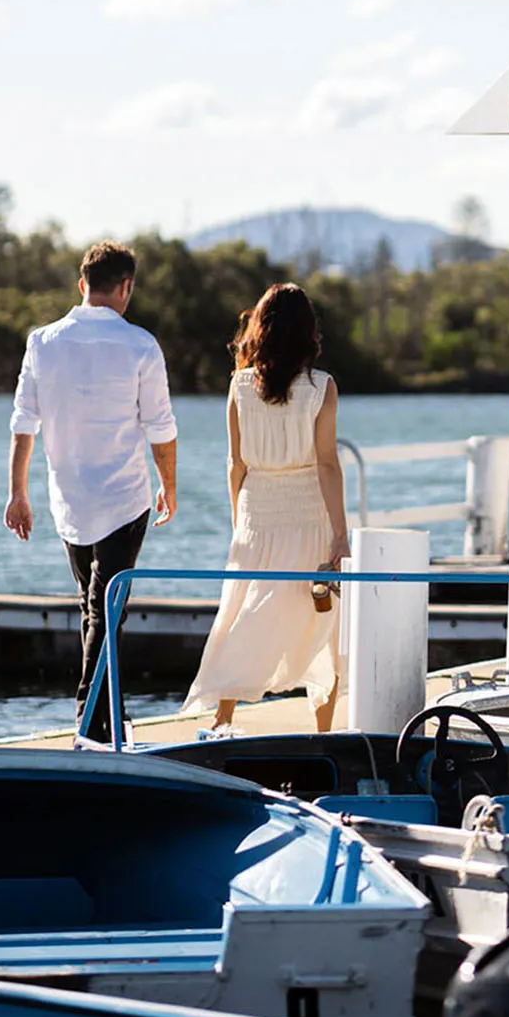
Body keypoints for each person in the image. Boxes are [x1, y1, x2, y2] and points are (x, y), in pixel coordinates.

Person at [5, 242, 178, 742]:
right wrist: (169, 484)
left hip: (69, 499)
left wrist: (18, 492)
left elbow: (23, 424)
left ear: (83, 285)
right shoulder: (141, 345)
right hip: (125, 499)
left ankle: (103, 719)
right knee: (105, 609)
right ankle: (91, 714)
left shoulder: (42, 342)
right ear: (125, 288)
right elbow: (160, 428)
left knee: (95, 606)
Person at [180, 284, 348, 732]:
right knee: (320, 623)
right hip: (307, 511)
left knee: (243, 614)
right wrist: (340, 532)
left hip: (256, 512)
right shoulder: (322, 387)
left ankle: (223, 719)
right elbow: (328, 464)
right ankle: (324, 732)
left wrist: (239, 519)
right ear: (307, 331)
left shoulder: (239, 386)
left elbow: (235, 464)